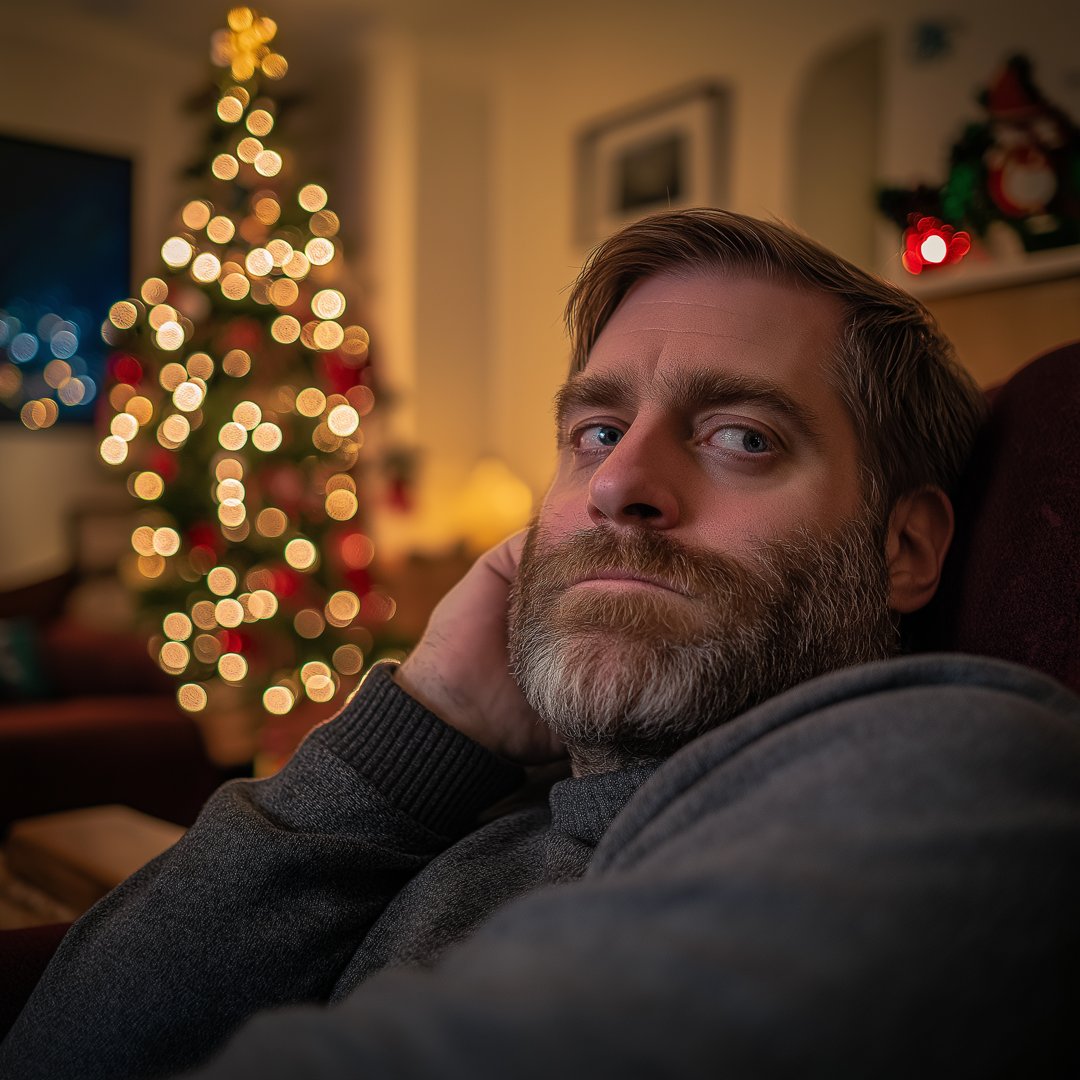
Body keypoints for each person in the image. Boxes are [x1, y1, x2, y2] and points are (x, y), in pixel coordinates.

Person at [3, 209, 1079, 1080]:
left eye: (742, 438)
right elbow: (58, 1054)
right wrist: (409, 737)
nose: (617, 484)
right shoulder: (463, 807)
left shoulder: (959, 757)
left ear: (905, 548)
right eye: (597, 433)